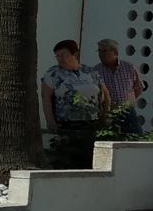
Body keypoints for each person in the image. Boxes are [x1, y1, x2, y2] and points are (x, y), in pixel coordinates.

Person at [42, 40, 111, 168]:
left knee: (89, 158)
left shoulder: (90, 72)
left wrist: (105, 115)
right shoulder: (53, 73)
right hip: (66, 123)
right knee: (68, 159)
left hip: (91, 122)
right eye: (57, 56)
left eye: (63, 54)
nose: (60, 59)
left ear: (75, 54)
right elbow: (46, 97)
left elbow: (105, 95)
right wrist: (50, 120)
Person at [94, 38, 145, 134]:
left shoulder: (129, 67)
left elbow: (138, 88)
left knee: (136, 136)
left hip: (127, 110)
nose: (101, 54)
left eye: (104, 51)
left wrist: (128, 102)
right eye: (99, 51)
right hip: (108, 112)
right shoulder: (96, 71)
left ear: (115, 52)